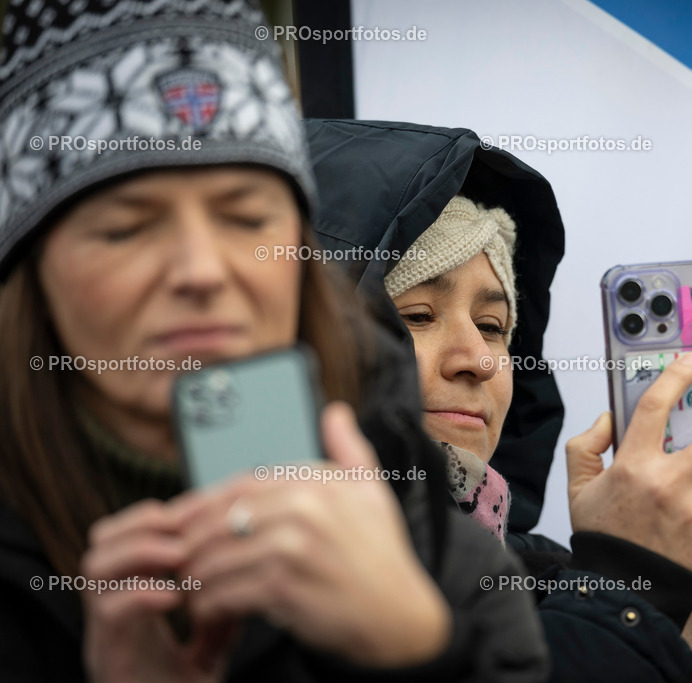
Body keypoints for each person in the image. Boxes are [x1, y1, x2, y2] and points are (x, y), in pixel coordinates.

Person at [0, 2, 547, 681]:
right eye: (126, 228)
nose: (202, 269)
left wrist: (415, 649)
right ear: (30, 274)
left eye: (246, 216)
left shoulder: (432, 545)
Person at [306, 118, 692, 682]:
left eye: (491, 325)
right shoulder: (263, 573)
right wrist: (621, 597)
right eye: (416, 316)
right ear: (312, 341)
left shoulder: (553, 584)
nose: (480, 360)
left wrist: (688, 658)